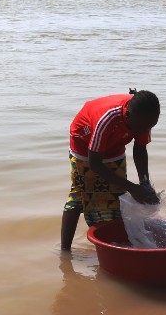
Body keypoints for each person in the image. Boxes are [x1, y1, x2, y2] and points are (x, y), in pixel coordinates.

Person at [60, 89, 160, 251]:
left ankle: (116, 247)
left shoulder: (143, 120)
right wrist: (133, 188)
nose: (144, 131)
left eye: (150, 126)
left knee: (118, 198)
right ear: (129, 115)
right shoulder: (107, 118)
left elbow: (140, 149)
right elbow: (95, 164)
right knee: (79, 197)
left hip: (114, 146)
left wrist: (145, 183)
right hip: (85, 146)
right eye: (142, 127)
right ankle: (65, 252)